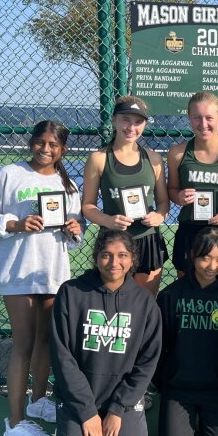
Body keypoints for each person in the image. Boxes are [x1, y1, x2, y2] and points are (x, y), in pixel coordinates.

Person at [0, 120, 83, 436]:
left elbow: (76, 233)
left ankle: (37, 401)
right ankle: (16, 423)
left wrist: (75, 227)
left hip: (52, 272)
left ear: (62, 149)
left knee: (46, 339)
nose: (45, 149)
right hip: (18, 272)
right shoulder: (10, 174)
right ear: (31, 142)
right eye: (40, 142)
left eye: (53, 145)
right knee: (24, 343)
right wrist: (15, 224)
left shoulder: (68, 183)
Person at [50, 230, 162, 436]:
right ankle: (69, 434)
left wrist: (117, 409)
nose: (114, 263)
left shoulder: (144, 302)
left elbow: (147, 363)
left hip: (121, 403)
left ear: (132, 258)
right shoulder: (71, 293)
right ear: (96, 257)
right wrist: (87, 412)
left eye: (122, 255)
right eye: (106, 255)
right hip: (81, 401)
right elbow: (62, 357)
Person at [155, 227, 218, 436]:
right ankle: (183, 421)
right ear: (193, 256)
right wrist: (165, 382)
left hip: (217, 390)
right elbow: (158, 347)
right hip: (179, 389)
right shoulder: (170, 296)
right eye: (205, 257)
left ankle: (206, 419)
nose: (211, 266)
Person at [82, 96, 170, 295]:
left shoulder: (153, 159)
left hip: (147, 241)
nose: (132, 127)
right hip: (112, 241)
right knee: (111, 303)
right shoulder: (99, 159)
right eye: (126, 120)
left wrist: (159, 216)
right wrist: (108, 220)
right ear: (114, 120)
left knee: (144, 305)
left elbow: (163, 203)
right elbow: (87, 205)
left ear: (145, 124)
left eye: (138, 122)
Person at [167, 92, 218, 283]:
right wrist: (178, 196)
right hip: (190, 232)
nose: (203, 124)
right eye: (197, 117)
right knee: (187, 295)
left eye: (209, 117)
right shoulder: (177, 153)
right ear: (189, 117)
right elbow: (171, 189)